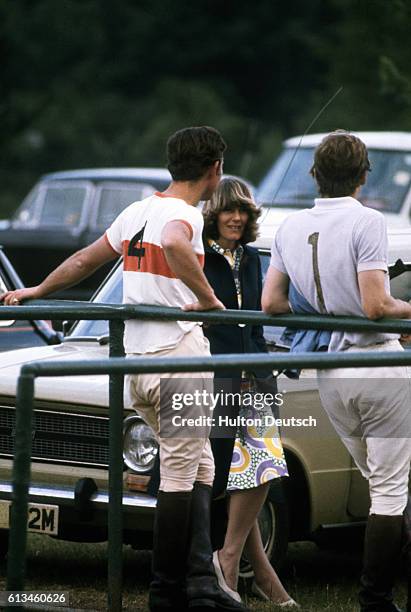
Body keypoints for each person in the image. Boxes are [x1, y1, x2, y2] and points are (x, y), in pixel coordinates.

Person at [1, 126, 248, 612]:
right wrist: (208, 298)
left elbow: (83, 260)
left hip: (137, 362)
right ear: (215, 170)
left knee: (201, 463)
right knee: (180, 471)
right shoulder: (184, 216)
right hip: (178, 355)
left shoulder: (138, 211)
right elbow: (177, 245)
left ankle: (201, 580)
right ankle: (166, 590)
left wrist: (35, 291)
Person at [262, 130, 411, 612]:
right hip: (378, 366)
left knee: (383, 485)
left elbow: (272, 303)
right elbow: (375, 305)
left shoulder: (288, 228)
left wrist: (322, 305)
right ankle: (375, 598)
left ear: (314, 175)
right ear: (363, 175)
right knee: (389, 493)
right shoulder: (367, 221)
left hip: (332, 376)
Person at [200, 178, 298, 608]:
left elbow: (258, 321)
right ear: (213, 214)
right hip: (215, 376)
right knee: (231, 474)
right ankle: (255, 573)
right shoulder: (199, 256)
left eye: (243, 211)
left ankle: (230, 560)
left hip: (255, 375)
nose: (237, 218)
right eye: (228, 210)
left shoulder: (255, 257)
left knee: (262, 464)